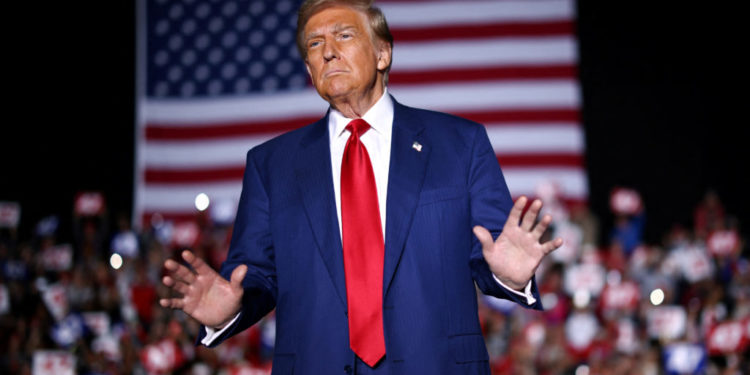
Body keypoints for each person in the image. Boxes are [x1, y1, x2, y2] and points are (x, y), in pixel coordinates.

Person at [160, 1, 562, 373]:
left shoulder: (460, 143)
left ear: (383, 53)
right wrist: (230, 309)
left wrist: (511, 277)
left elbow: (491, 250)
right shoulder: (270, 165)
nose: (327, 51)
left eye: (343, 35)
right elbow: (255, 276)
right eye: (314, 44)